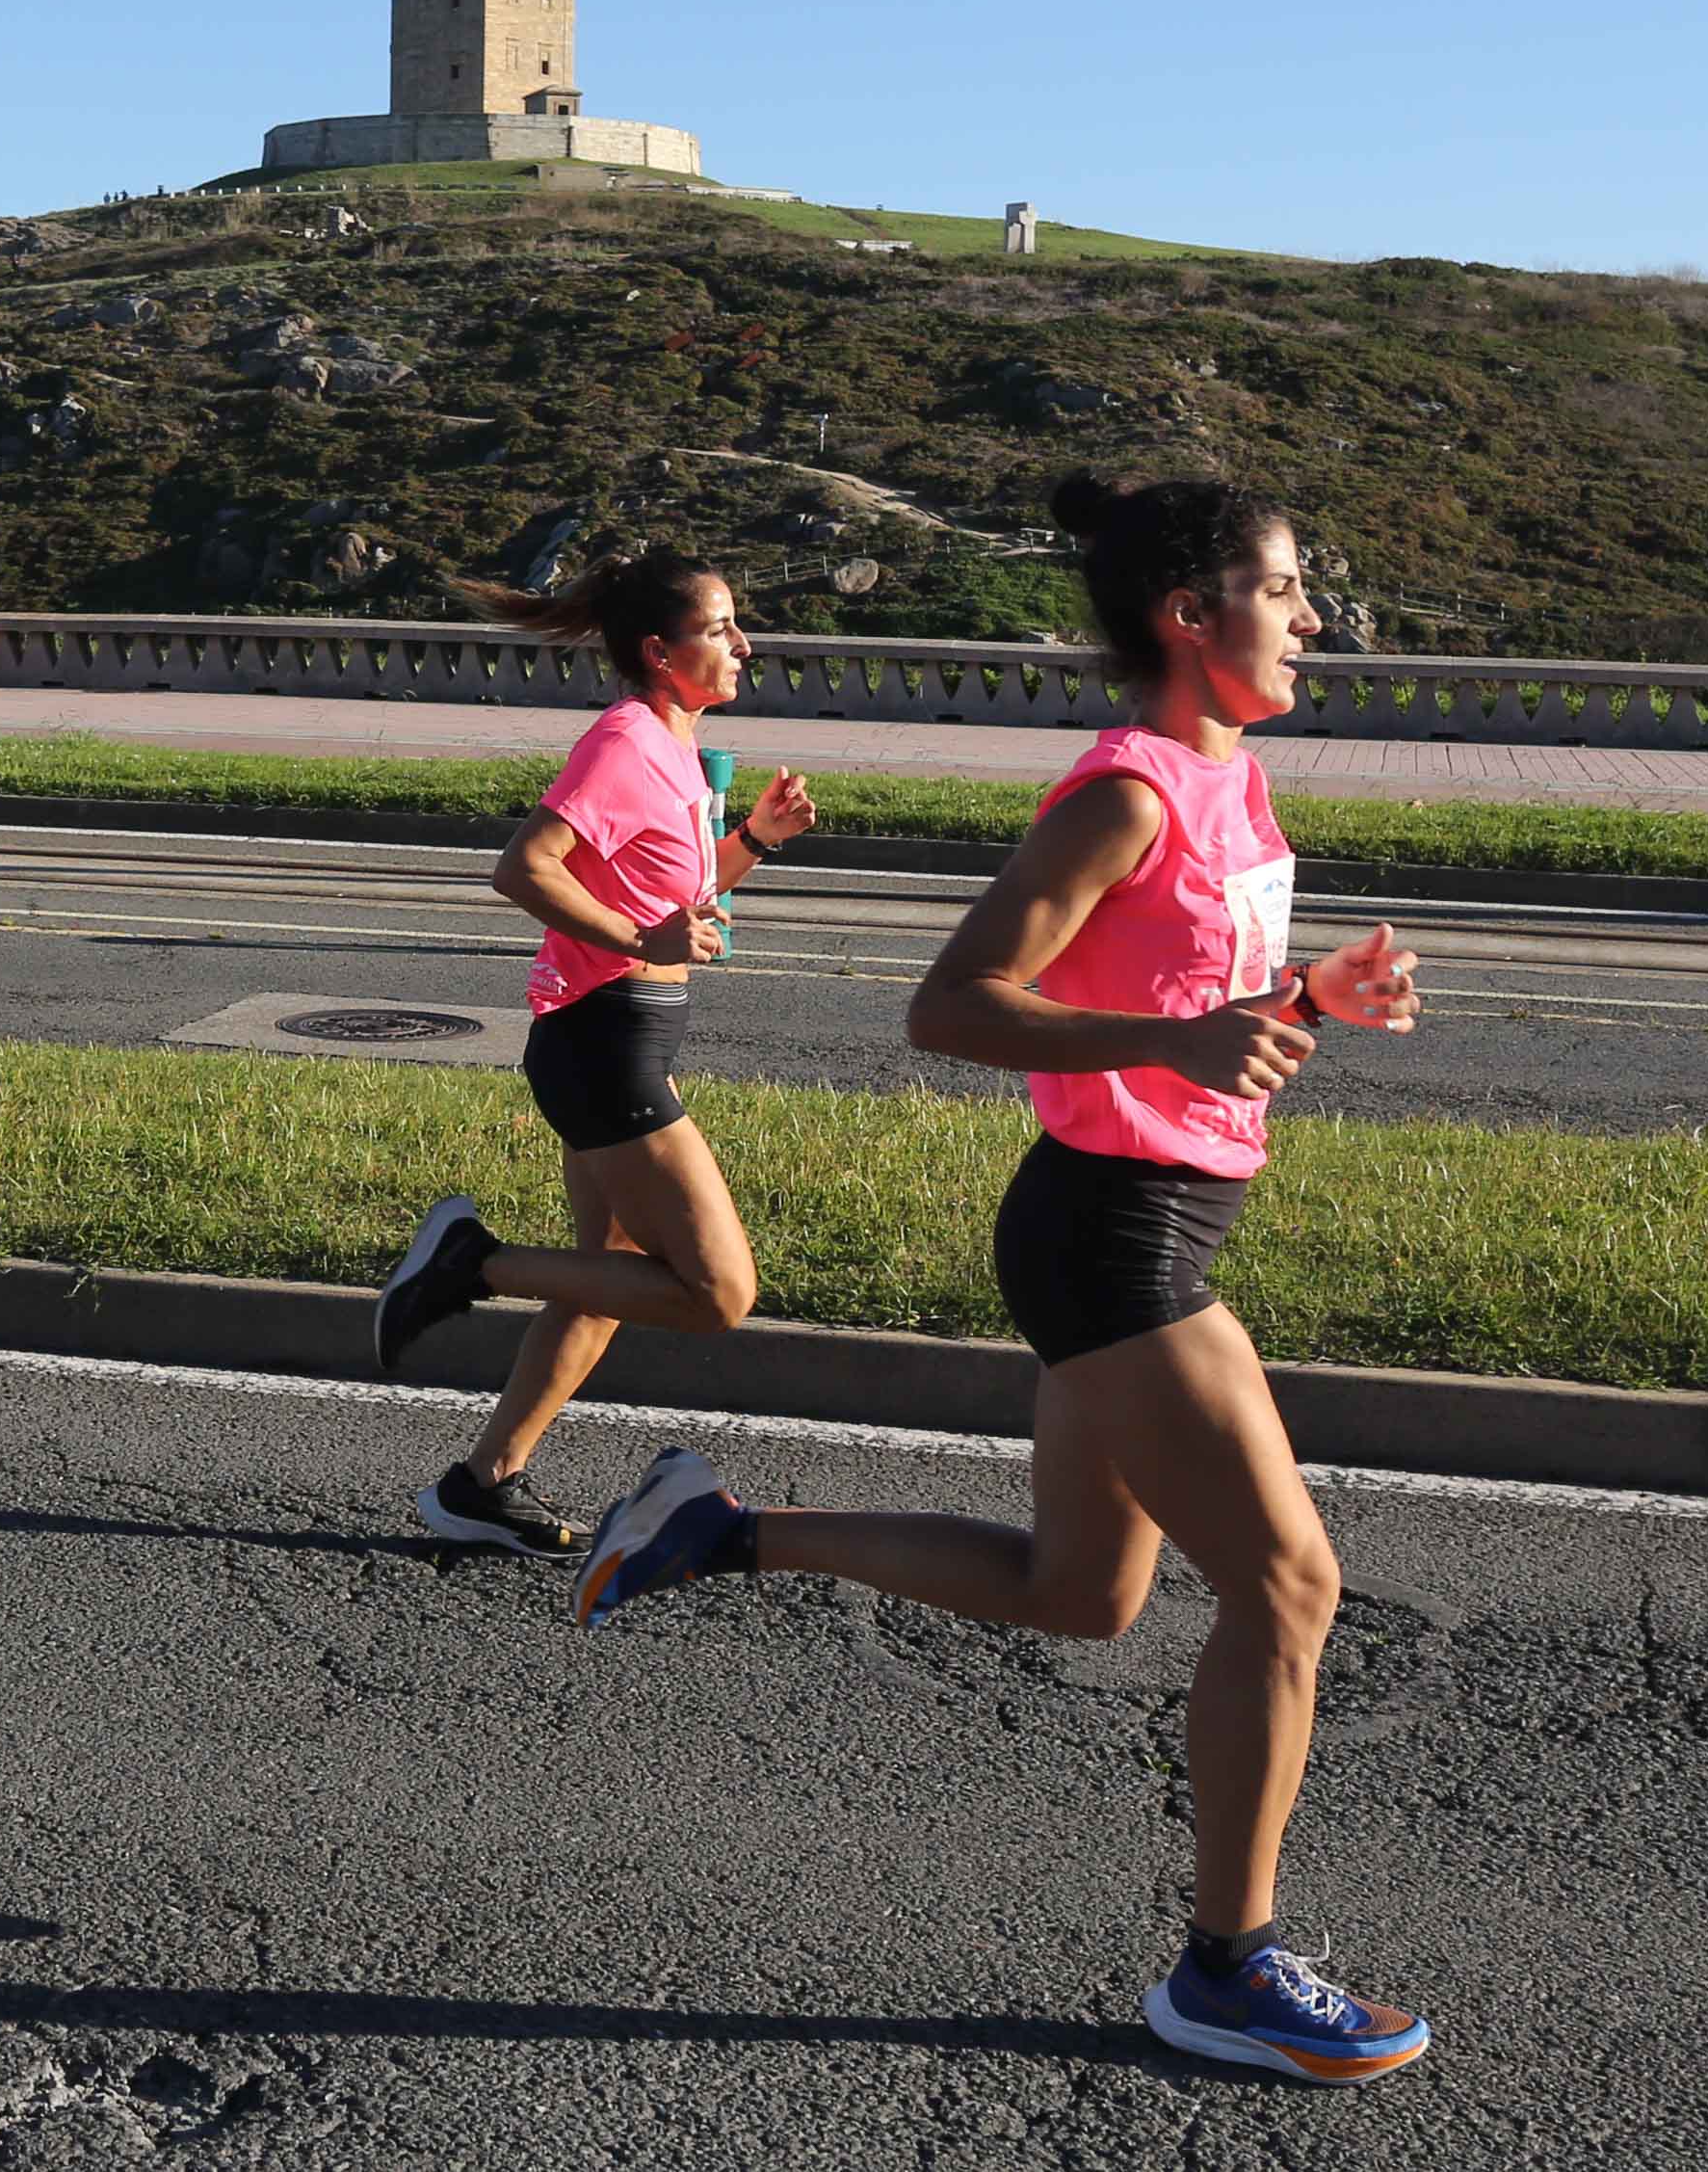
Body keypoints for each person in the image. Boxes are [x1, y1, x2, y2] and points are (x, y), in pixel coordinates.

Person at [566, 473, 1433, 2086]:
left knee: (1080, 1592)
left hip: (1167, 1217)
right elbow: (953, 1005)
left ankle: (715, 1528)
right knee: (1290, 1585)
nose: (1312, 615)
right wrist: (1178, 1039)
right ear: (1192, 614)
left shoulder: (1234, 787)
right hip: (1111, 1231)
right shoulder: (1128, 793)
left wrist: (1303, 995)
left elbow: (1193, 997)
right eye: (1288, 586)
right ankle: (1225, 1966)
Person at [373, 548, 817, 1555]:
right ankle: (470, 1263)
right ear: (661, 651)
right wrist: (639, 941)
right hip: (604, 1039)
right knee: (716, 1292)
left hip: (615, 1033)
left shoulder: (671, 749)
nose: (743, 643)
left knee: (605, 1281)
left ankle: (481, 1484)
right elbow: (522, 866)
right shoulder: (625, 740)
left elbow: (674, 898)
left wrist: (755, 836)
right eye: (719, 627)